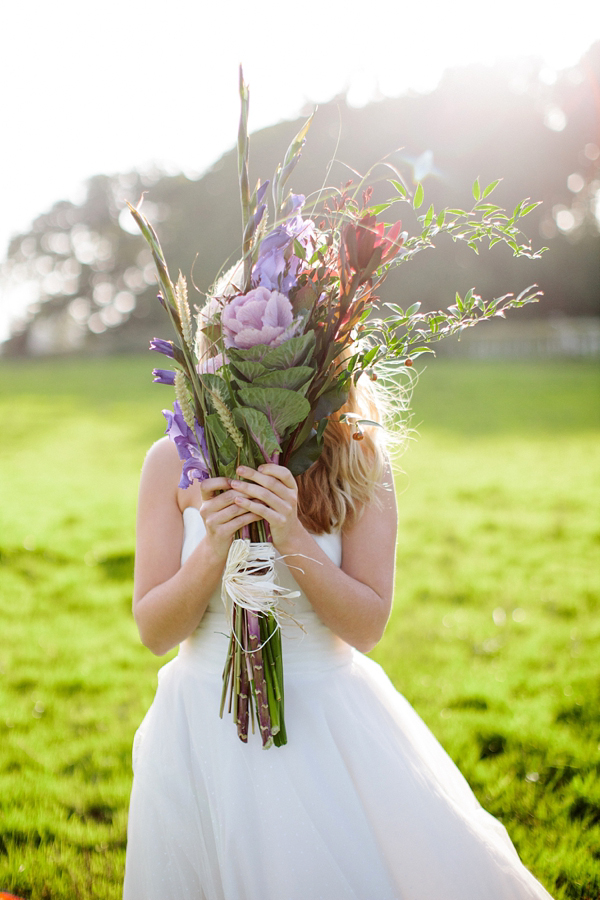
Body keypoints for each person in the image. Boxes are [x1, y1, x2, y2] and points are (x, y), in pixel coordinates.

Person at [123, 376, 554, 900]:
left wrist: (290, 534)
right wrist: (214, 547)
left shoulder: (358, 457)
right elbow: (154, 632)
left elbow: (368, 627)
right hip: (196, 728)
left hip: (322, 721)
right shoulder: (173, 459)